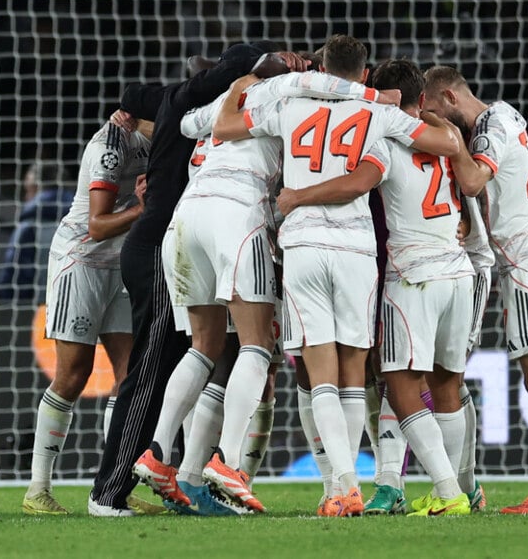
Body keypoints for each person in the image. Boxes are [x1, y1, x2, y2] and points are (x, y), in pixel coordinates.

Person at [134, 55, 395, 513]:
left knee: (204, 345)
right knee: (256, 345)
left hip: (188, 215)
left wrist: (236, 86)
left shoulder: (226, 103)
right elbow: (331, 87)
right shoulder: (293, 94)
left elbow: (188, 124)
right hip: (239, 212)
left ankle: (159, 453)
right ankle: (229, 460)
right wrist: (377, 97)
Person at [212, 36, 460, 517]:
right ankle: (349, 487)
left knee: (319, 373)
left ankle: (340, 486)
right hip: (358, 252)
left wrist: (242, 84)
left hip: (304, 247)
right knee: (352, 375)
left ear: (322, 68)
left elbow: (224, 125)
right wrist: (404, 109)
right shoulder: (377, 111)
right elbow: (445, 142)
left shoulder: (291, 104)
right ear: (364, 74)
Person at [87, 41, 279, 517]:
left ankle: (173, 471)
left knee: (188, 356)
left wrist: (129, 111)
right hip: (160, 246)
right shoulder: (210, 105)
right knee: (149, 371)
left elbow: (133, 91)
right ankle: (109, 492)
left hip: (174, 240)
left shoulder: (186, 107)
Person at [276, 58, 475, 516]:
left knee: (391, 381)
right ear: (421, 100)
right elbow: (464, 179)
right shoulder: (442, 139)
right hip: (455, 269)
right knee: (439, 384)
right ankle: (448, 484)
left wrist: (296, 197)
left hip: (407, 272)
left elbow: (361, 178)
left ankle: (433, 488)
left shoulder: (380, 134)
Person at [423, 65, 528, 514]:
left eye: (434, 108)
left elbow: (475, 179)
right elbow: (491, 190)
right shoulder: (505, 114)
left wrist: (449, 139)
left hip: (526, 263)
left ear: (450, 98)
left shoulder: (485, 130)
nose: (430, 117)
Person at [22, 117, 152, 516]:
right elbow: (96, 226)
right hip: (79, 261)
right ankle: (38, 488)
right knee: (74, 374)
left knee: (130, 376)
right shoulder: (110, 147)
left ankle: (115, 484)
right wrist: (143, 209)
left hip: (120, 265)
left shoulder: (157, 142)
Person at [0, 162, 75, 302]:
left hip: (38, 312)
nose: (26, 197)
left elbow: (12, 278)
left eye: (27, 190)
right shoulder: (85, 224)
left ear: (35, 187)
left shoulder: (28, 228)